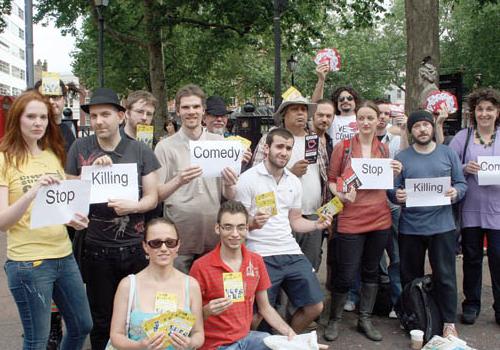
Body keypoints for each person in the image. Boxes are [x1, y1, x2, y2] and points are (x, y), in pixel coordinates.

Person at [65, 87, 161, 350]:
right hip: (96, 250)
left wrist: (134, 206)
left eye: (105, 114)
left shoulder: (141, 151)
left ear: (120, 116)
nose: (98, 121)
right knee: (101, 319)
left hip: (134, 249)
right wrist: (89, 176)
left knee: (138, 315)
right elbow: (71, 198)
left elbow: (153, 197)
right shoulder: (79, 148)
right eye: (94, 115)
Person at [0, 90, 92, 350]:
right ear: (17, 118)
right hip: (29, 263)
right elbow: (3, 222)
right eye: (31, 116)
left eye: (42, 117)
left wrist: (72, 220)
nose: (38, 122)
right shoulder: (4, 160)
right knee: (37, 340)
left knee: (82, 325)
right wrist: (32, 192)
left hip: (64, 255)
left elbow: (58, 207)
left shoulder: (52, 155)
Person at [235, 128, 332, 334]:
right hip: (259, 253)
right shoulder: (248, 178)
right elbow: (238, 224)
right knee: (256, 315)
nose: (284, 152)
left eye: (288, 148)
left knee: (316, 306)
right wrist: (252, 222)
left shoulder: (294, 181)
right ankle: (258, 342)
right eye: (279, 146)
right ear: (267, 148)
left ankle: (284, 340)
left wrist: (316, 225)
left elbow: (295, 221)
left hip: (290, 251)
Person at [324, 101, 402, 342]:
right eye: (362, 118)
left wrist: (396, 172)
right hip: (351, 218)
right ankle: (335, 318)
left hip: (379, 218)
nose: (366, 122)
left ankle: (364, 318)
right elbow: (331, 179)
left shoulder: (384, 149)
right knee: (346, 273)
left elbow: (387, 183)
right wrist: (340, 193)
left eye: (371, 118)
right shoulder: (344, 147)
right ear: (356, 120)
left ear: (379, 120)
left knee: (371, 271)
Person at [389, 110, 468, 338]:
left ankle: (449, 322)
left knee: (445, 276)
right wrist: (397, 196)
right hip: (411, 228)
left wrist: (455, 192)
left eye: (426, 125)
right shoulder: (402, 157)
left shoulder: (448, 154)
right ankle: (414, 319)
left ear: (433, 128)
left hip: (442, 227)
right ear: (411, 131)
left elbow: (462, 184)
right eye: (417, 126)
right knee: (410, 276)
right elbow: (392, 189)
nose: (422, 129)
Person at [155, 84, 238, 274]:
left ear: (203, 110)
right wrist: (178, 180)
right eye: (185, 107)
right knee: (180, 295)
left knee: (211, 293)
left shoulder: (220, 144)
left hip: (212, 235)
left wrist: (230, 183)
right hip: (179, 238)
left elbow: (229, 195)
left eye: (195, 107)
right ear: (177, 111)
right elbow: (156, 195)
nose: (191, 112)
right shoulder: (164, 147)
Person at [190, 200, 296, 350]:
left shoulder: (256, 261)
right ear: (217, 228)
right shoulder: (200, 266)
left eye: (240, 227)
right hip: (216, 345)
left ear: (247, 228)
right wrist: (206, 311)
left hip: (246, 339)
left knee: (276, 343)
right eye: (228, 227)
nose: (235, 234)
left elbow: (265, 308)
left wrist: (289, 333)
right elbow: (188, 320)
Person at [252, 97, 329, 272]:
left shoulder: (314, 140)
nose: (301, 113)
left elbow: (325, 177)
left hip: (312, 215)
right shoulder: (269, 139)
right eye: (295, 109)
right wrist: (290, 173)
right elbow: (257, 177)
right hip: (280, 217)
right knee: (280, 268)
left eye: (304, 109)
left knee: (309, 269)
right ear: (284, 115)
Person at [109, 217, 204, 349]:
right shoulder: (128, 285)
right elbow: (116, 336)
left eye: (170, 242)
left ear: (178, 245)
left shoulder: (191, 285)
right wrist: (139, 346)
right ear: (145, 246)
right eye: (156, 243)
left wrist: (190, 343)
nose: (164, 248)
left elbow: (198, 333)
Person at [449, 87, 500, 325]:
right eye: (480, 109)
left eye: (489, 109)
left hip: (498, 212)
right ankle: (471, 304)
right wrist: (464, 168)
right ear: (474, 112)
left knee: (498, 260)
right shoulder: (463, 137)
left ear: (497, 112)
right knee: (471, 259)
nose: (484, 113)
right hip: (470, 210)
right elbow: (447, 165)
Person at [374, 98, 407, 318]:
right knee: (373, 257)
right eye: (380, 113)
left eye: (387, 113)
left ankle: (399, 303)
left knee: (396, 255)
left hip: (393, 205)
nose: (383, 117)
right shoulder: (360, 142)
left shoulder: (395, 140)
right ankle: (376, 301)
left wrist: (404, 130)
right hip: (372, 206)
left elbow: (405, 157)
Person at [35, 79, 76, 152]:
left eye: (55, 96)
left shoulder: (67, 131)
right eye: (45, 97)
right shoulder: (31, 130)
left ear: (64, 99)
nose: (51, 101)